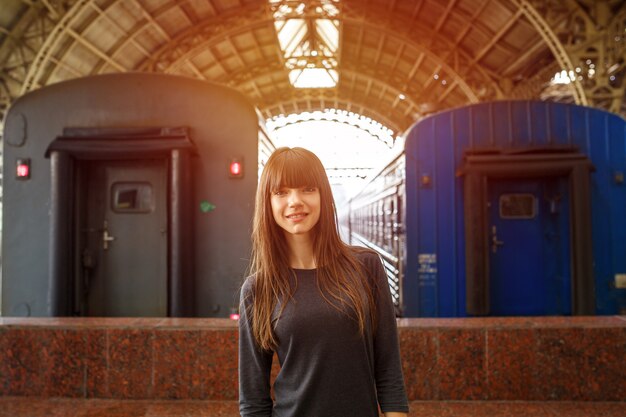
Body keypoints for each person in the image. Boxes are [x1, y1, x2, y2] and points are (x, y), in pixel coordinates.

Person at [238, 147, 409, 417]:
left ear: (323, 196)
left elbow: (388, 366)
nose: (295, 201)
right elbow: (253, 398)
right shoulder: (258, 288)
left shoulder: (366, 266)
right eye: (281, 192)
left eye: (307, 189)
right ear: (268, 203)